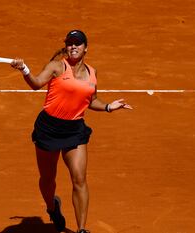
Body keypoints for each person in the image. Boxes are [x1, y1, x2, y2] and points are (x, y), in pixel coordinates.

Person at [11, 30, 132, 233]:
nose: (73, 46)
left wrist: (109, 106)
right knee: (48, 179)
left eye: (78, 43)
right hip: (48, 129)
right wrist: (24, 69)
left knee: (79, 179)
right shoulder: (57, 67)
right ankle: (52, 208)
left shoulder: (92, 73)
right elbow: (35, 84)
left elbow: (91, 100)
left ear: (86, 48)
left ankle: (81, 229)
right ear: (66, 47)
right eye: (70, 43)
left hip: (74, 130)